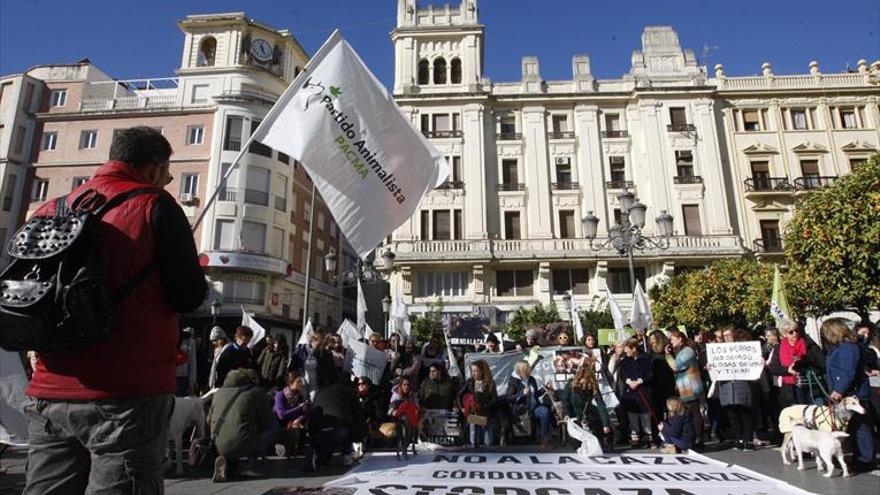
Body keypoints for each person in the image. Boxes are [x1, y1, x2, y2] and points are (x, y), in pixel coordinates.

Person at [23, 126, 208, 495]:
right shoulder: (155, 205)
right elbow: (187, 296)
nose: (168, 182)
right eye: (168, 175)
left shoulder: (50, 208)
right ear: (155, 168)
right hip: (126, 391)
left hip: (50, 387)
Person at [821, 318, 875, 472]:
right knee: (851, 427)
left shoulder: (848, 347)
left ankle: (865, 459)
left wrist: (838, 390)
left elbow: (847, 371)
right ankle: (858, 456)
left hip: (854, 393)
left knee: (860, 426)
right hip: (847, 393)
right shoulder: (840, 347)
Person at [210, 368, 278, 482]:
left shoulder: (218, 393)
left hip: (217, 443)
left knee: (235, 434)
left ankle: (228, 461)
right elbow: (268, 421)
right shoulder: (256, 392)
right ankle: (248, 464)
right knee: (273, 427)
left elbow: (209, 419)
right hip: (243, 442)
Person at [305, 354, 360, 471]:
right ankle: (346, 454)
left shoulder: (320, 392)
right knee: (350, 424)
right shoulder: (347, 391)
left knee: (324, 454)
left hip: (317, 433)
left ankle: (319, 455)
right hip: (338, 431)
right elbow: (358, 413)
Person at [768, 319, 825, 407]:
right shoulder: (778, 349)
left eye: (796, 330)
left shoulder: (809, 344)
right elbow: (773, 367)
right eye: (791, 332)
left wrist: (805, 366)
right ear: (784, 334)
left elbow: (821, 362)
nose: (795, 333)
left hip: (812, 387)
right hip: (791, 390)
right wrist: (788, 370)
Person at [716, 326, 756, 450]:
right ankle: (738, 438)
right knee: (732, 412)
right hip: (727, 385)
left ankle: (748, 439)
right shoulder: (719, 350)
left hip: (741, 383)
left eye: (729, 335)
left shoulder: (742, 348)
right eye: (724, 336)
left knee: (744, 411)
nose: (726, 338)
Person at [664, 329, 705, 447]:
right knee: (687, 415)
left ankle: (699, 438)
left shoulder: (687, 351)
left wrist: (667, 355)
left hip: (691, 388)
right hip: (683, 388)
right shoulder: (680, 351)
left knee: (694, 414)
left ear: (680, 339)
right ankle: (692, 437)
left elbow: (676, 366)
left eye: (672, 339)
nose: (670, 341)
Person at [562, 363, 611, 448]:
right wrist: (567, 414)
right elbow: (565, 401)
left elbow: (600, 404)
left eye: (587, 384)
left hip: (589, 414)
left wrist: (605, 424)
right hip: (574, 415)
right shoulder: (571, 384)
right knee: (577, 445)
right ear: (578, 379)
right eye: (582, 384)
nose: (584, 386)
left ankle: (604, 440)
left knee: (596, 443)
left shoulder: (593, 386)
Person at [506, 360, 554, 448]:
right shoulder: (513, 381)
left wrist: (545, 388)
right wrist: (521, 393)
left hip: (534, 407)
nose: (530, 369)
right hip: (522, 409)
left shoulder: (531, 379)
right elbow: (509, 397)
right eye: (527, 368)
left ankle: (544, 439)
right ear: (521, 370)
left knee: (545, 412)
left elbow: (536, 394)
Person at [618, 338, 654, 448]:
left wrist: (640, 381)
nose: (626, 351)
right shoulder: (625, 361)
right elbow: (622, 373)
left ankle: (648, 437)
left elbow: (650, 373)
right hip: (630, 392)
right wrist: (629, 381)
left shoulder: (645, 359)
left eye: (627, 349)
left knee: (645, 416)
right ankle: (635, 437)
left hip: (643, 391)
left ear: (634, 348)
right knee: (632, 416)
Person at [458, 360, 497, 447]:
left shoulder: (489, 383)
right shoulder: (469, 382)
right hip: (473, 414)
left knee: (488, 442)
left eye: (476, 371)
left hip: (486, 414)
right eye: (472, 371)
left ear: (482, 371)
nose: (473, 373)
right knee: (474, 441)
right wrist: (462, 408)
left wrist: (485, 405)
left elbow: (494, 399)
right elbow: (459, 395)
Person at [273, 371, 309, 458]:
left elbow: (305, 413)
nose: (301, 384)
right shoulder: (280, 395)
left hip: (293, 424)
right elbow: (281, 415)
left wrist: (299, 418)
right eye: (298, 381)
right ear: (291, 383)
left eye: (301, 381)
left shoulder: (299, 396)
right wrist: (299, 408)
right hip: (281, 425)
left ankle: (296, 445)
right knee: (283, 452)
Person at [176, 327, 199, 397]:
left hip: (182, 378)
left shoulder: (189, 341)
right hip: (169, 376)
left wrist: (192, 383)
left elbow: (192, 363)